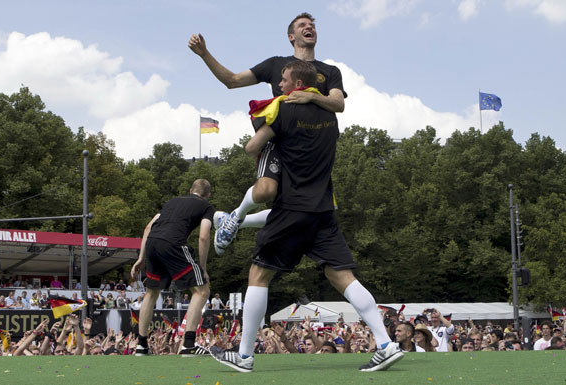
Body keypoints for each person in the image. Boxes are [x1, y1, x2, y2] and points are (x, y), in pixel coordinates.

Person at [209, 61, 402, 373]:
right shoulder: (330, 117)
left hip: (292, 207)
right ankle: (385, 343)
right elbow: (332, 108)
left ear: (297, 82)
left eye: (284, 79)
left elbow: (251, 147)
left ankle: (244, 356)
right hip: (324, 210)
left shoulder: (281, 109)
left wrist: (273, 137)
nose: (280, 85)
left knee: (259, 275)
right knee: (342, 276)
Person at [189, 12, 346, 254]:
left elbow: (338, 104)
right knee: (266, 191)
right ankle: (238, 215)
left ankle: (236, 220)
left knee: (300, 209)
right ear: (291, 36)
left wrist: (311, 95)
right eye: (303, 25)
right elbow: (231, 80)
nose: (310, 27)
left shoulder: (330, 71)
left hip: (312, 152)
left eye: (312, 25)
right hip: (279, 141)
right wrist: (204, 55)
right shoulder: (275, 65)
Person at [130, 179, 214, 357]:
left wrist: (141, 258)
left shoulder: (171, 202)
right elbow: (204, 236)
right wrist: (203, 268)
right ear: (208, 195)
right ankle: (189, 345)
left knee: (151, 293)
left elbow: (148, 228)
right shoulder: (206, 207)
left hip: (152, 243)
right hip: (173, 244)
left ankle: (141, 345)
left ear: (190, 190)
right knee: (202, 291)